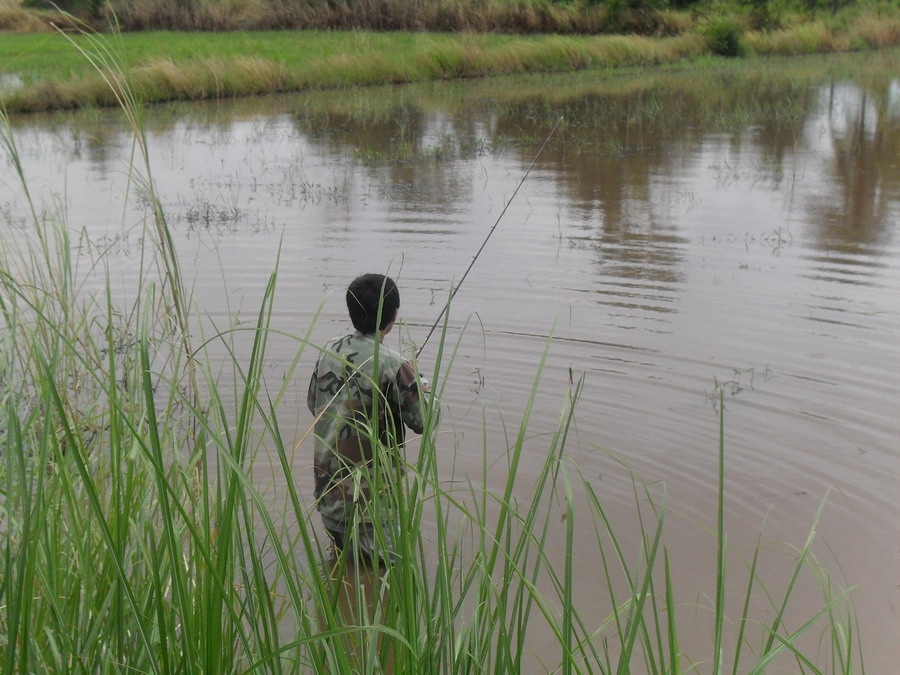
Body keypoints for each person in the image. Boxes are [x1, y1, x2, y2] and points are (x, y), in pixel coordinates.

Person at [307, 273, 433, 565]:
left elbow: (314, 403)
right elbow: (425, 421)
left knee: (343, 571)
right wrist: (420, 381)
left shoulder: (329, 351)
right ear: (394, 315)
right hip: (370, 511)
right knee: (390, 584)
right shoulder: (392, 363)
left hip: (328, 496)